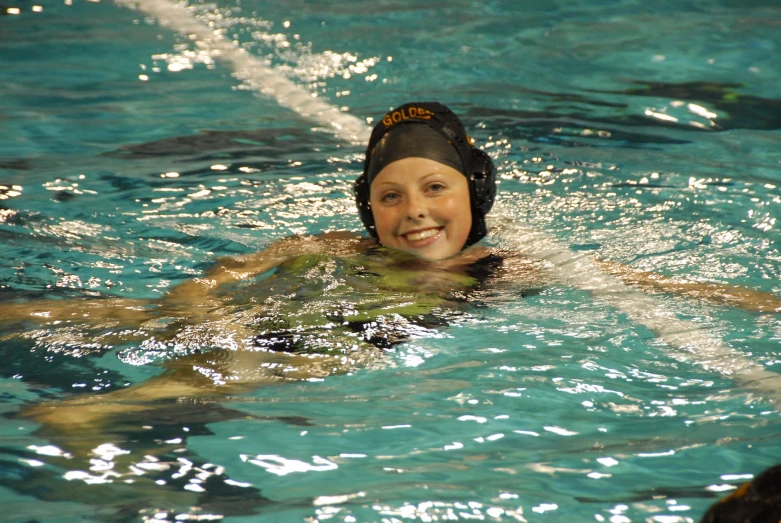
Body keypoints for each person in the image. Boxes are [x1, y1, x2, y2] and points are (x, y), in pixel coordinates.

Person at [3, 102, 781, 437]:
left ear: (473, 193)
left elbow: (653, 287)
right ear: (366, 210)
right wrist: (194, 300)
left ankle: (90, 411)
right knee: (152, 322)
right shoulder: (333, 246)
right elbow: (229, 271)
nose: (414, 212)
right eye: (390, 196)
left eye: (434, 188)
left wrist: (761, 303)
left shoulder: (509, 265)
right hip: (293, 319)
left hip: (324, 333)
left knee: (228, 364)